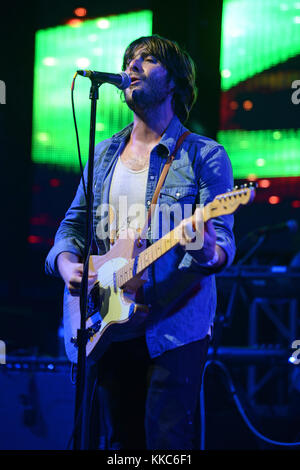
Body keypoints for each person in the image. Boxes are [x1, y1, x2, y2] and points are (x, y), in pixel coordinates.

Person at [45, 34, 235, 450]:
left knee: (168, 447)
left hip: (173, 331)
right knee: (119, 446)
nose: (132, 65)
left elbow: (221, 241)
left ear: (175, 83)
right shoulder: (104, 154)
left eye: (147, 60)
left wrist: (208, 252)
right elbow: (71, 227)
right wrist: (66, 265)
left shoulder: (205, 156)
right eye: (129, 58)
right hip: (107, 321)